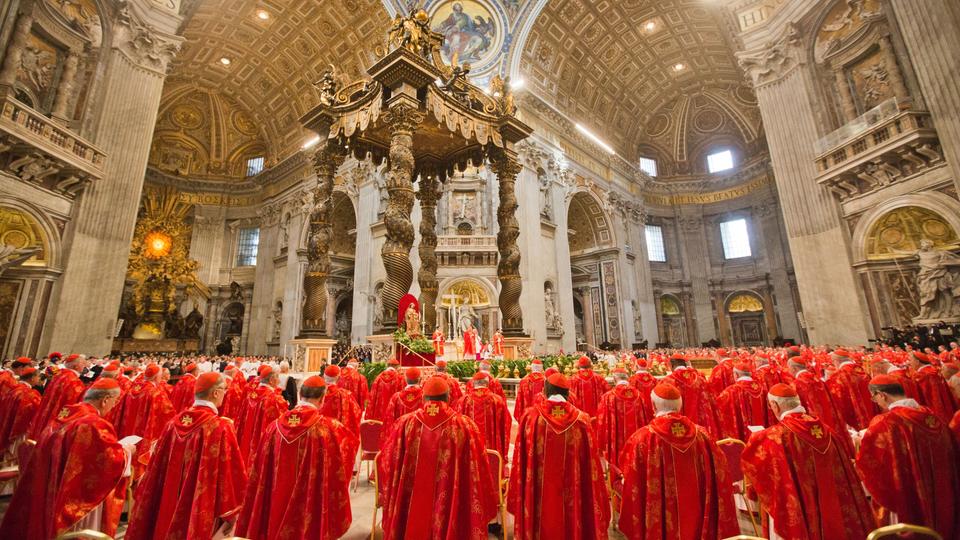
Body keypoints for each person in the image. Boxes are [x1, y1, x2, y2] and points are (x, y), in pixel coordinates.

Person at [0, 378, 130, 539]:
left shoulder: (65, 414)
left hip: (51, 486)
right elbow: (108, 462)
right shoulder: (94, 424)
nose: (114, 406)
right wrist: (127, 451)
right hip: (75, 496)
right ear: (105, 400)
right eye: (115, 401)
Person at [742, 384, 875, 540]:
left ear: (775, 406)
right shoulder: (829, 432)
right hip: (835, 507)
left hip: (801, 507)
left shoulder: (775, 437)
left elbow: (754, 465)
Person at [125, 372, 248, 540]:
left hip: (167, 502)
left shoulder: (172, 424)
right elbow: (229, 473)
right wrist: (231, 512)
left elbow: (155, 470)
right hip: (201, 504)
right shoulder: (220, 427)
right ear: (216, 393)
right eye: (224, 390)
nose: (225, 393)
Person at [235, 376, 358, 540]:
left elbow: (260, 471)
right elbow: (347, 450)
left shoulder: (273, 427)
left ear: (300, 395)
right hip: (310, 501)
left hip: (276, 500)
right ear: (322, 399)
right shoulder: (328, 429)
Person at [377, 376, 496, 539]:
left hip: (410, 504)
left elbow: (387, 461)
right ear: (448, 397)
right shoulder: (465, 426)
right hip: (450, 501)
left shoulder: (404, 424)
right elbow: (479, 468)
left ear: (423, 397)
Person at [618, 382, 739, 540]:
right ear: (680, 406)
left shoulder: (643, 438)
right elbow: (721, 475)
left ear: (653, 405)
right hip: (700, 517)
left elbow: (631, 479)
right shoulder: (703, 436)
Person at [856, 374, 960, 538]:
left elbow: (871, 462)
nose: (874, 401)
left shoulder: (887, 422)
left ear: (882, 395)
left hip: (908, 492)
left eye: (874, 397)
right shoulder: (934, 417)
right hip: (942, 491)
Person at [508, 373, 610, 539]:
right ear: (568, 393)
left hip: (537, 493)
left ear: (545, 391)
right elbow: (592, 466)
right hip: (574, 493)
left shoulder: (530, 418)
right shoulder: (582, 421)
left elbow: (520, 461)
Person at [110, 363, 174, 479]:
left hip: (127, 429)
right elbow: (168, 413)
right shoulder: (155, 392)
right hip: (144, 432)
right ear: (156, 377)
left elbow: (120, 410)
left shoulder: (131, 389)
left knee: (128, 452)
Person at [597, 367, 651, 468]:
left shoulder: (608, 397)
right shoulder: (640, 396)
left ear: (614, 379)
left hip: (617, 443)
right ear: (628, 378)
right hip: (637, 442)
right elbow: (646, 419)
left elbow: (601, 422)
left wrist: (601, 442)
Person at [27, 353, 89, 440]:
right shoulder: (75, 382)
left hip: (49, 411)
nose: (85, 366)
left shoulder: (58, 375)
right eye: (83, 363)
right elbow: (74, 404)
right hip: (61, 416)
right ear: (76, 366)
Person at [236, 366, 288, 463]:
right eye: (277, 377)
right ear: (271, 380)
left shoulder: (250, 395)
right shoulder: (275, 399)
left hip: (248, 440)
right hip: (264, 442)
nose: (279, 380)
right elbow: (283, 423)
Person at [457, 372, 512, 460]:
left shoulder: (463, 401)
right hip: (492, 450)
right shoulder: (497, 400)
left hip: (470, 451)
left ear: (473, 383)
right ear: (487, 383)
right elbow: (506, 422)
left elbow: (458, 426)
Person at [666, 354, 721, 437]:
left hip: (678, 426)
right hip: (700, 425)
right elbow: (710, 400)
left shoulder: (668, 381)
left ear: (671, 365)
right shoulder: (700, 380)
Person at [716, 361, 772, 441]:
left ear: (736, 374)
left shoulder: (731, 391)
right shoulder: (763, 389)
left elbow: (718, 409)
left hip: (742, 437)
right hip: (763, 434)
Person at [825, 349, 875, 430]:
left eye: (833, 361)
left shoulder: (838, 375)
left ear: (836, 361)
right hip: (870, 409)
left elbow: (835, 397)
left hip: (853, 414)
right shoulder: (862, 370)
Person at [0, 366, 41, 459]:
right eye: (38, 376)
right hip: (21, 430)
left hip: (8, 423)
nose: (39, 378)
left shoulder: (14, 389)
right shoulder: (30, 393)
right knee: (17, 454)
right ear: (32, 378)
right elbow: (36, 411)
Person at [910, 351, 959, 422]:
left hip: (932, 408)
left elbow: (920, 396)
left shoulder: (921, 374)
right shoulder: (935, 370)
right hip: (945, 403)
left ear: (917, 362)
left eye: (911, 360)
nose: (910, 362)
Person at [318, 364, 362, 435]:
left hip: (320, 433)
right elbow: (356, 414)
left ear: (323, 376)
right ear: (338, 378)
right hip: (339, 435)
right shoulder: (346, 395)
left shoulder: (316, 393)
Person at [383, 367, 423, 435]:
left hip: (400, 435)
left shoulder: (396, 397)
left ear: (406, 379)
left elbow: (389, 419)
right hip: (418, 435)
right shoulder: (424, 396)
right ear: (420, 379)